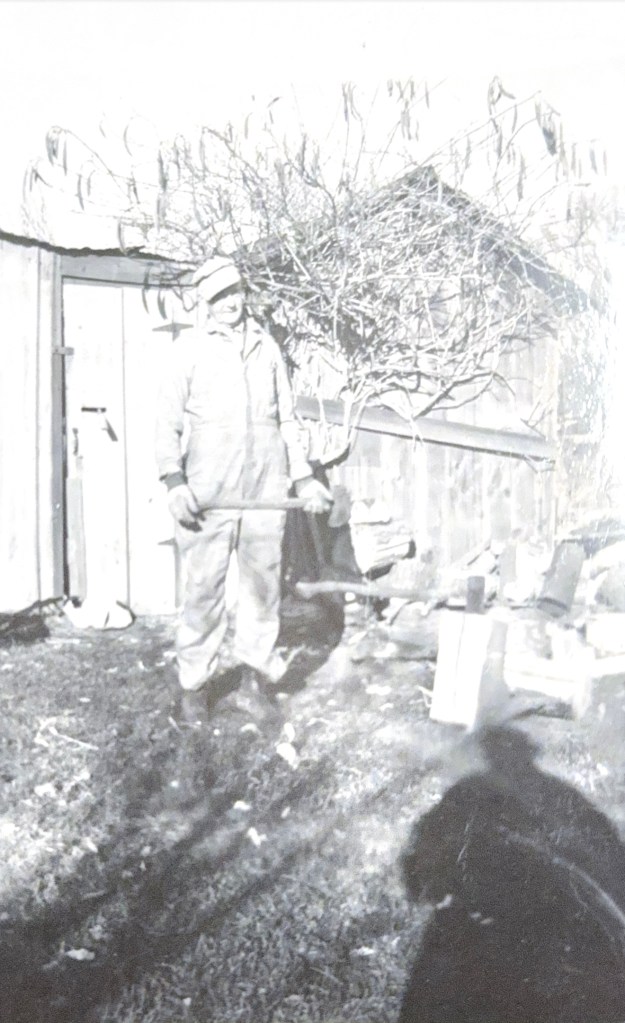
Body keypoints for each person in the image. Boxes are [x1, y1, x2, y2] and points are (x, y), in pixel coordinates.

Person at [155, 255, 332, 721]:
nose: (229, 303)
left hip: (264, 491)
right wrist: (174, 482)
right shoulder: (188, 349)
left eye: (233, 292)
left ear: (243, 292)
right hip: (208, 492)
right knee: (203, 591)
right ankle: (195, 688)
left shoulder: (266, 348)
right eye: (218, 296)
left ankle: (255, 682)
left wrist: (303, 476)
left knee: (262, 589)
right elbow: (166, 424)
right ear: (205, 302)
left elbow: (287, 419)